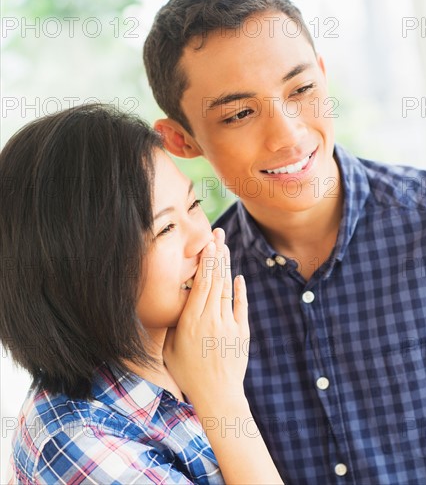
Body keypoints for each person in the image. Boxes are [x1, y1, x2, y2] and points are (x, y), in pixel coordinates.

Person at [143, 0, 426, 484]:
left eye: (302, 88)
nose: (287, 136)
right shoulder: (194, 294)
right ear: (181, 141)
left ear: (324, 75)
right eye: (240, 114)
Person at [0, 104, 284, 484]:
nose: (205, 237)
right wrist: (224, 402)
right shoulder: (76, 442)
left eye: (194, 205)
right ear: (84, 270)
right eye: (166, 229)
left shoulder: (190, 357)